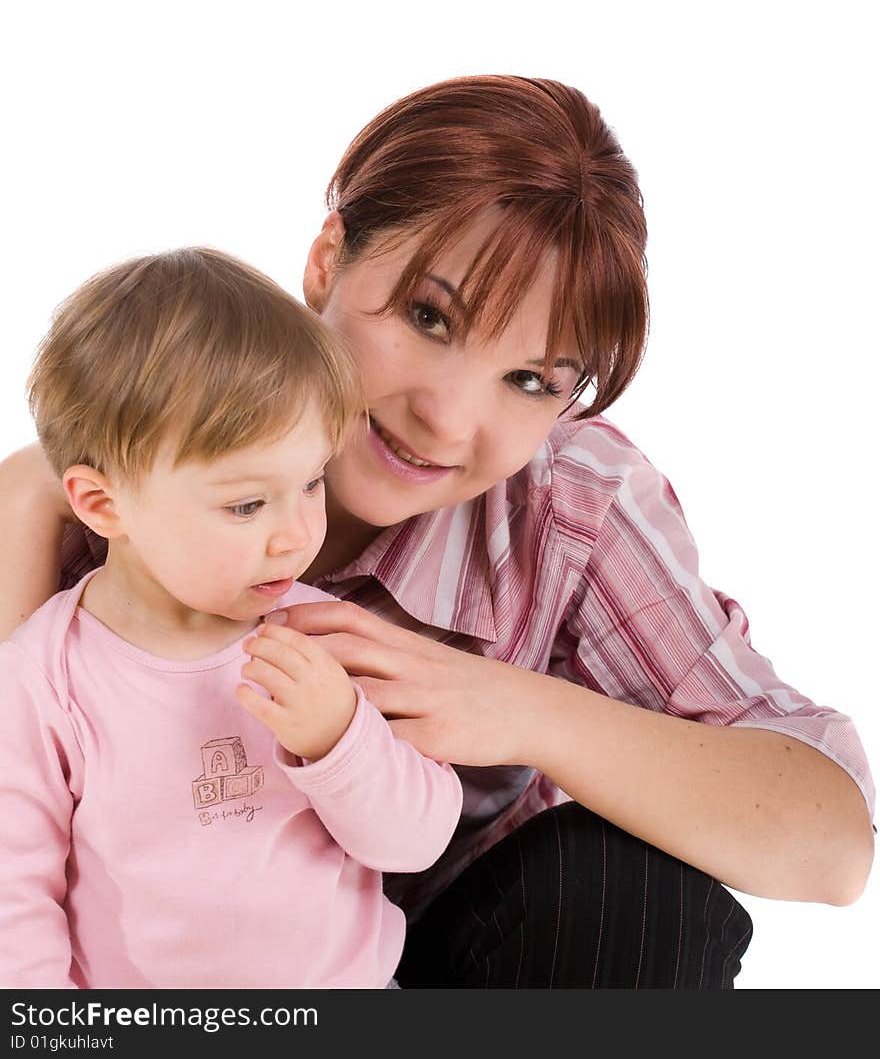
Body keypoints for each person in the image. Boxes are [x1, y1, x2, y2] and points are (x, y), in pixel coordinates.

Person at [1, 77, 874, 990]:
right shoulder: (127, 482)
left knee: (632, 890)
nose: (448, 422)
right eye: (429, 317)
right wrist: (20, 505)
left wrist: (514, 710)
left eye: (532, 379)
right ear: (327, 258)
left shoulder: (569, 502)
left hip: (425, 967)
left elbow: (832, 846)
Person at [0, 247, 462, 989]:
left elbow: (419, 838)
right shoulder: (44, 677)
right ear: (101, 503)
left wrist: (340, 737)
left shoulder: (321, 635)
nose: (294, 535)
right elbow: (13, 901)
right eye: (246, 504)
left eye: (310, 482)